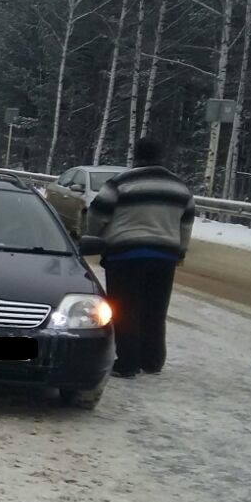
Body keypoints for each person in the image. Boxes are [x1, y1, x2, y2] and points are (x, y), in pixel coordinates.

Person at [85, 135, 195, 377]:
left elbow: (97, 213)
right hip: (164, 257)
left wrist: (93, 237)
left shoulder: (121, 182)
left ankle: (127, 363)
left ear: (136, 155)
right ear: (160, 156)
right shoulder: (180, 187)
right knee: (155, 309)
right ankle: (153, 360)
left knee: (125, 308)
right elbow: (186, 224)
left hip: (125, 254)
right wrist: (180, 251)